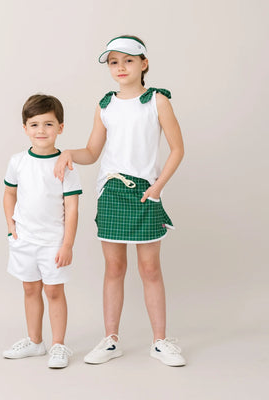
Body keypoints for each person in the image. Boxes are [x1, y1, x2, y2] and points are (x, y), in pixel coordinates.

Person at [54, 35, 186, 367]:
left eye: (128, 60)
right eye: (114, 62)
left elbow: (177, 149)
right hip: (111, 191)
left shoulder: (158, 101)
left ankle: (160, 341)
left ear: (144, 63)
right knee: (114, 268)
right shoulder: (105, 105)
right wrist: (68, 152)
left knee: (150, 269)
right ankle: (111, 339)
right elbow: (92, 152)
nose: (120, 67)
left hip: (145, 191)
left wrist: (157, 187)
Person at [2, 94, 82, 369]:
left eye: (48, 124)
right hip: (24, 240)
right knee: (29, 288)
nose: (41, 130)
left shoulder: (65, 165)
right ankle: (35, 342)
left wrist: (67, 244)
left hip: (53, 242)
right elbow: (9, 194)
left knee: (54, 292)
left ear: (60, 127)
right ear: (25, 128)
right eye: (34, 124)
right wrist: (11, 226)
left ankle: (58, 345)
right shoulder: (18, 161)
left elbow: (72, 208)